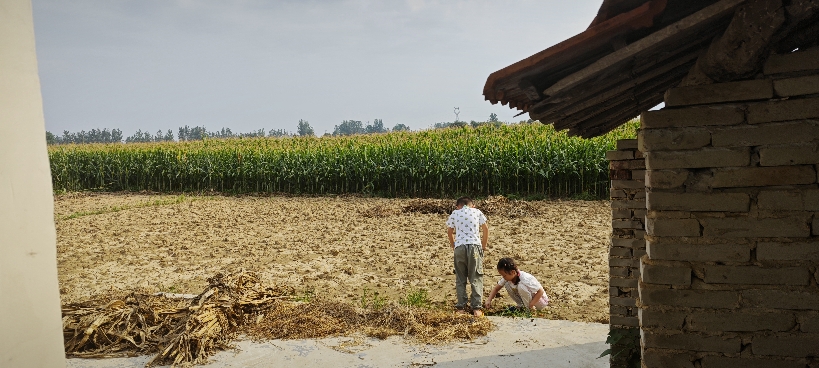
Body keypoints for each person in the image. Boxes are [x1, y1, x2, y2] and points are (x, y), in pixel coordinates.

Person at [446, 196, 489, 317]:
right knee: (476, 276)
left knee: (460, 278)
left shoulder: (455, 213)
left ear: (457, 206)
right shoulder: (477, 212)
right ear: (473, 205)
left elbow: (450, 231)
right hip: (475, 246)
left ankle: (461, 307)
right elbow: (485, 228)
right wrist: (484, 245)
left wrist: (453, 245)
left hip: (459, 247)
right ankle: (476, 308)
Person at [485, 257, 549, 311]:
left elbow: (540, 291)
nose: (503, 277)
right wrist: (489, 300)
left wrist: (531, 305)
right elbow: (496, 288)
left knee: (521, 287)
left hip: (540, 302)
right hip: (529, 300)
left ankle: (529, 309)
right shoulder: (508, 278)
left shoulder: (525, 278)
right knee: (507, 284)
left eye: (504, 275)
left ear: (513, 272)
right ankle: (521, 306)